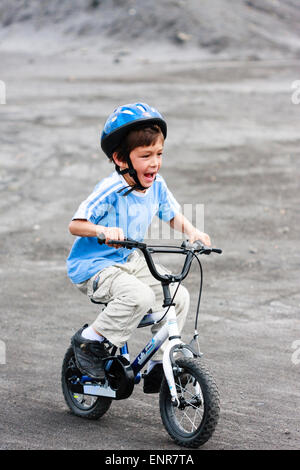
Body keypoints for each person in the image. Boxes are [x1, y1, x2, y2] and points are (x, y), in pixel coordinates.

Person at [67, 102, 211, 393]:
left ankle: (161, 363)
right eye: (145, 156)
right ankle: (90, 341)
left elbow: (170, 214)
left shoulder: (156, 185)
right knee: (140, 296)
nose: (154, 163)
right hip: (95, 266)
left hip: (129, 259)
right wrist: (102, 230)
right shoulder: (110, 189)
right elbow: (76, 224)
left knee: (178, 295)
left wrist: (193, 231)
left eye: (159, 154)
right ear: (121, 159)